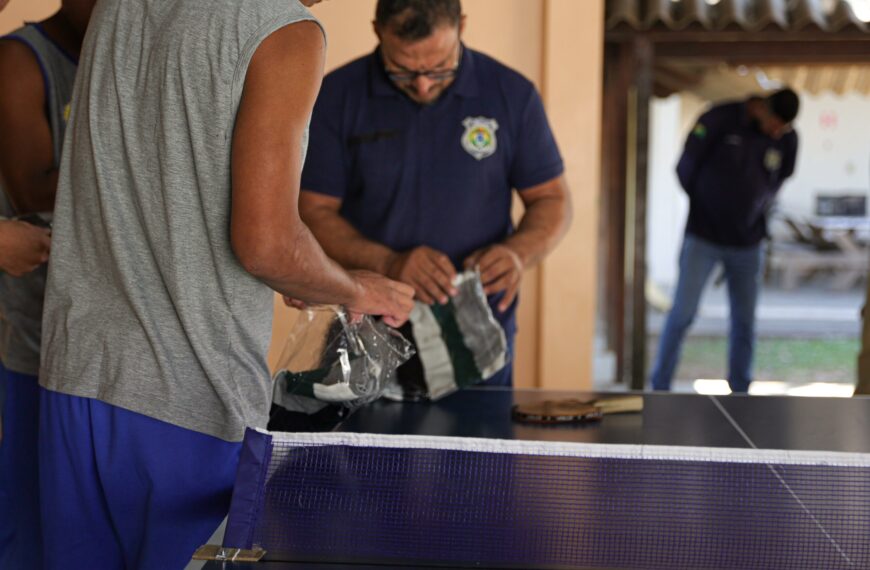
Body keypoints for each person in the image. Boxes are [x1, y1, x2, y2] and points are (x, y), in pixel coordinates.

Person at [37, 0, 414, 567]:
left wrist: (310, 271)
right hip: (189, 397)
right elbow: (266, 245)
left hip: (74, 373)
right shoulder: (284, 30)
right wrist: (353, 289)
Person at [299, 0, 571, 388]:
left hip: (476, 334)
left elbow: (552, 199)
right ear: (377, 30)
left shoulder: (512, 94)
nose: (423, 84)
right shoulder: (336, 95)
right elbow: (312, 210)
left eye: (440, 67)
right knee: (359, 447)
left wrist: (518, 253)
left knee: (478, 444)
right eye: (403, 70)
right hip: (365, 330)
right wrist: (389, 262)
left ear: (461, 25)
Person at [0, 2, 93, 567]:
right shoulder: (20, 59)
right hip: (37, 337)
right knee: (28, 516)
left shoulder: (124, 57)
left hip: (108, 347)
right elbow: (32, 192)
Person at [650, 88, 800, 393]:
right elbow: (685, 166)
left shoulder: (786, 138)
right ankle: (660, 387)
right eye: (773, 123)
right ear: (761, 107)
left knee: (744, 321)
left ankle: (741, 389)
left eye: (781, 128)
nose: (775, 131)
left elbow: (781, 176)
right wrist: (708, 205)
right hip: (703, 236)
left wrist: (756, 206)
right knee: (681, 314)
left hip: (748, 242)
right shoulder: (719, 119)